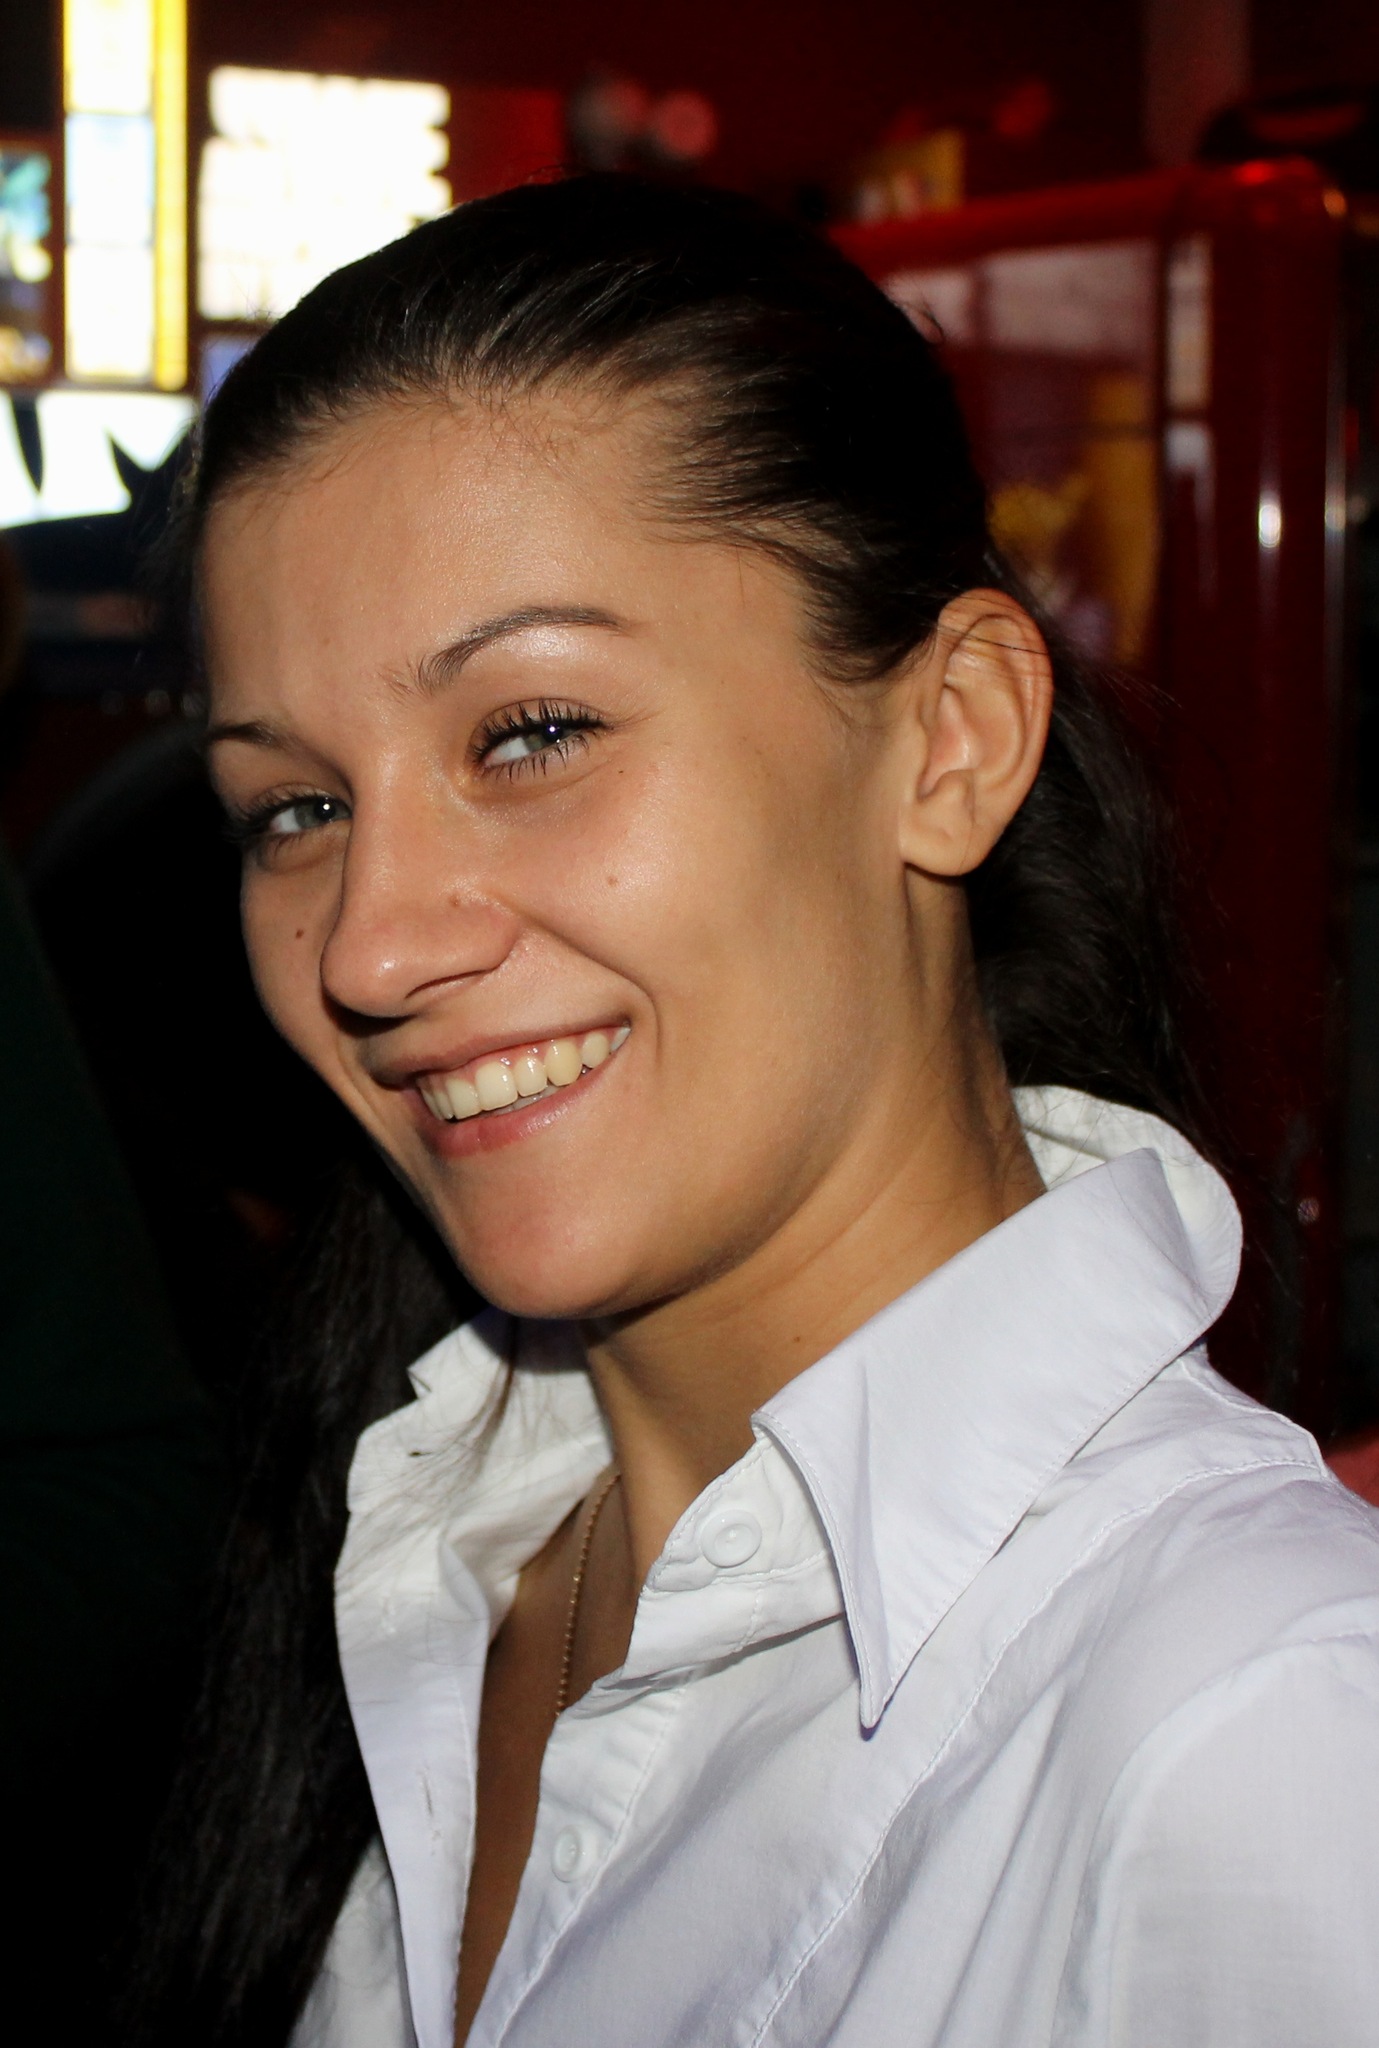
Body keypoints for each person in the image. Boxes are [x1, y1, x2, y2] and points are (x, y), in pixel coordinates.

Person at [129, 177, 1379, 2048]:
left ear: (951, 737)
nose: (371, 947)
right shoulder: (422, 1549)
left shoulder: (1260, 1734)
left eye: (531, 733)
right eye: (295, 809)